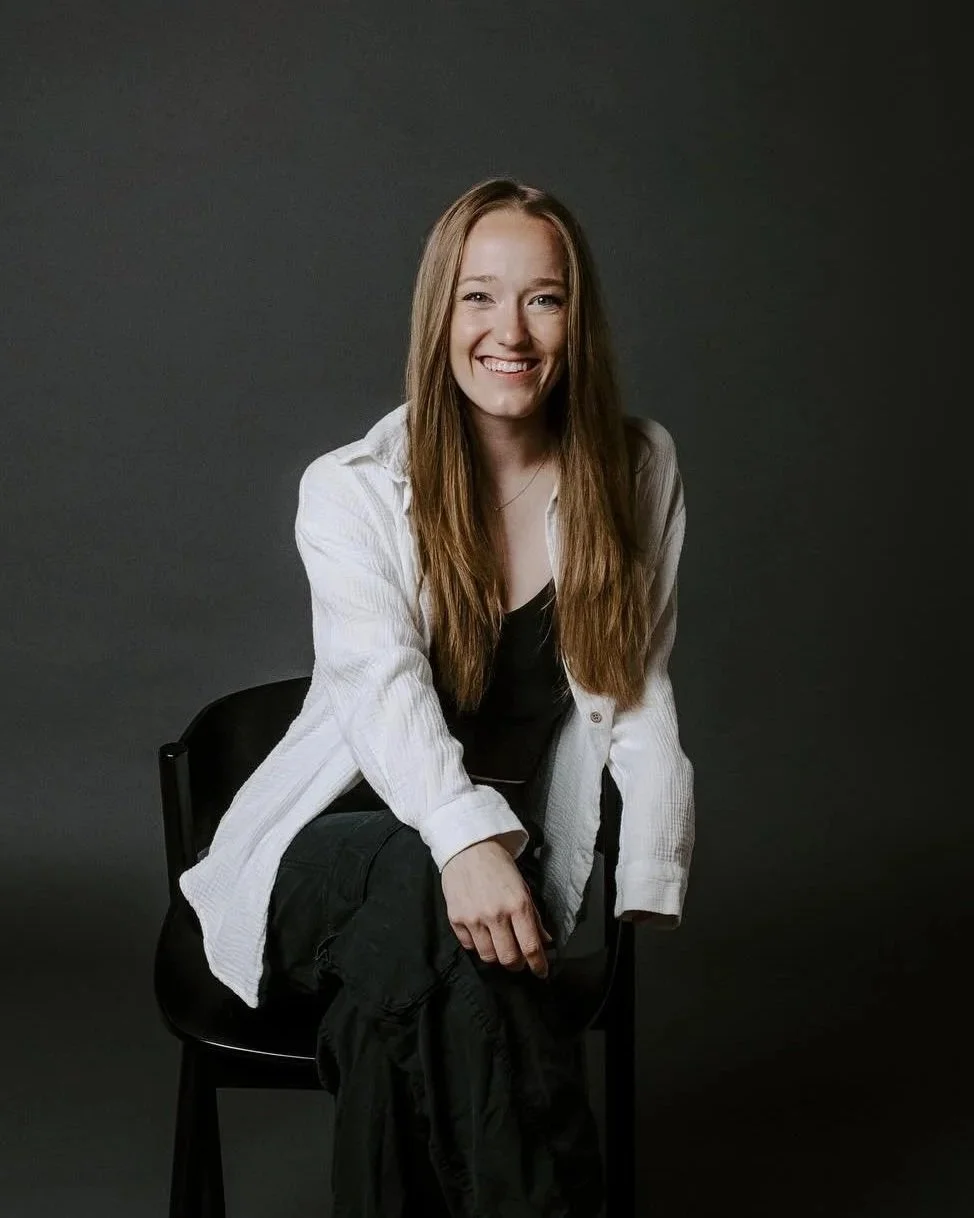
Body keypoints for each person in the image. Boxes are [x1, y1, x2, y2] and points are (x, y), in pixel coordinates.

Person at [177, 177, 695, 1217]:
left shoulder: (635, 468)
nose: (510, 330)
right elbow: (383, 690)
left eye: (542, 298)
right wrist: (463, 842)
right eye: (478, 298)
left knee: (396, 1012)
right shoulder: (354, 487)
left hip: (488, 881)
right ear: (438, 315)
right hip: (327, 855)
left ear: (574, 317)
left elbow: (631, 681)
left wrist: (647, 866)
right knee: (422, 890)